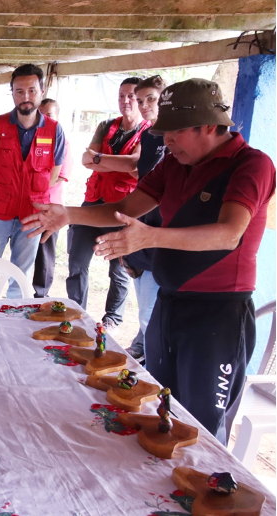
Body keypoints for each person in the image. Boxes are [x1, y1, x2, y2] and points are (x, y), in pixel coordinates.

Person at [22, 78, 276, 443]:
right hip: (169, 304)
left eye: (174, 132)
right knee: (160, 407)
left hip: (218, 315)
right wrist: (68, 214)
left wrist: (150, 237)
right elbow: (125, 209)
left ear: (207, 125)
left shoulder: (250, 164)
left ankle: (211, 492)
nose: (166, 140)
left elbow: (229, 233)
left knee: (202, 425)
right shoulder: (175, 163)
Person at [0, 63, 65, 298]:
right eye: (19, 91)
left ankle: (14, 321)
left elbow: (53, 173)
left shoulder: (55, 130)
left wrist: (29, 194)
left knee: (20, 276)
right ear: (12, 93)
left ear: (41, 92)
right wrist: (2, 193)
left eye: (32, 90)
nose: (26, 97)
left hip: (32, 215)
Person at [68, 77, 150, 331]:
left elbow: (135, 167)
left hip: (123, 207)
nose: (126, 101)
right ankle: (75, 311)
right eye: (121, 96)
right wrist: (118, 163)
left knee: (119, 267)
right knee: (77, 261)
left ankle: (113, 318)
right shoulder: (106, 125)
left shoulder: (148, 132)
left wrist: (101, 159)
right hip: (93, 202)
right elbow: (85, 159)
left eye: (132, 97)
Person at [120, 75, 168, 362]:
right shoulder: (149, 138)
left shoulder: (186, 144)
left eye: (151, 98)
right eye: (141, 100)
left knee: (153, 318)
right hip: (143, 233)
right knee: (146, 314)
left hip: (166, 240)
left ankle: (155, 380)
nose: (145, 105)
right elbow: (142, 189)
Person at [31, 98, 71, 298]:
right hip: (28, 207)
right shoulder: (31, 137)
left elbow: (61, 175)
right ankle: (20, 291)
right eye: (42, 113)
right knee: (25, 249)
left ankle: (41, 294)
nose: (45, 118)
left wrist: (34, 187)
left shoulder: (62, 141)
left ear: (57, 117)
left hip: (50, 208)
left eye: (50, 114)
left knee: (44, 252)